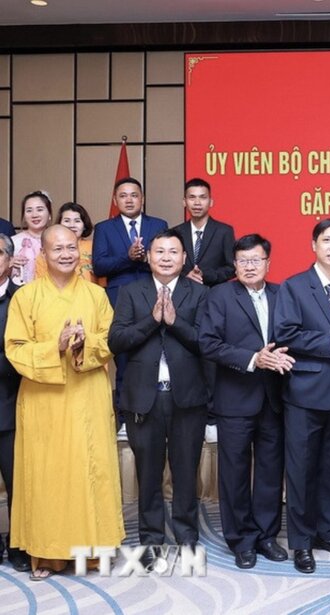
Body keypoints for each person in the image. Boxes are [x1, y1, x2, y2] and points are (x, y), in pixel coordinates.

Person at [6, 225, 124, 579]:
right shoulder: (25, 297)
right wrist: (54, 347)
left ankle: (93, 552)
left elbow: (110, 341)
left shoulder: (96, 295)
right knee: (47, 475)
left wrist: (85, 345)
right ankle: (47, 555)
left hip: (87, 394)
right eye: (57, 249)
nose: (66, 254)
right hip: (44, 399)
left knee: (91, 471)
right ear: (43, 254)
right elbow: (15, 348)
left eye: (71, 247)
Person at [109, 229, 209, 562]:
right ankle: (151, 539)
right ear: (149, 257)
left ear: (184, 258)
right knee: (148, 473)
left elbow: (206, 343)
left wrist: (175, 322)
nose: (166, 257)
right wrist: (152, 322)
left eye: (173, 252)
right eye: (160, 252)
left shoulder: (199, 293)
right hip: (144, 397)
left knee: (185, 471)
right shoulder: (130, 292)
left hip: (187, 397)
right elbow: (116, 341)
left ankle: (186, 535)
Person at [273, 218, 330, 574]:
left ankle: (328, 532)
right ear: (314, 245)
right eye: (327, 240)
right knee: (301, 470)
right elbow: (285, 333)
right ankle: (301, 542)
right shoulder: (294, 286)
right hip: (304, 393)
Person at [198, 234, 292, 570]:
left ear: (268, 262)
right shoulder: (220, 296)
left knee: (270, 471)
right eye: (243, 261)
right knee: (235, 474)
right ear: (234, 265)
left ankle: (266, 536)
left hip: (274, 398)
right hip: (235, 398)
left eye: (256, 260)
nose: (249, 266)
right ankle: (241, 540)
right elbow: (208, 343)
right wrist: (253, 358)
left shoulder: (283, 294)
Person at [93, 177, 168, 432]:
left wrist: (145, 258)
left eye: (134, 195)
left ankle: (157, 414)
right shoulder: (104, 228)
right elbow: (99, 265)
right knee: (124, 358)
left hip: (153, 295)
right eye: (123, 195)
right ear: (115, 200)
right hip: (120, 298)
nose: (129, 200)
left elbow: (167, 259)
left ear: (142, 199)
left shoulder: (158, 225)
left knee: (155, 354)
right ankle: (125, 418)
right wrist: (128, 258)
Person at [174, 178, 236, 444]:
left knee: (211, 361)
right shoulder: (175, 232)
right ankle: (186, 416)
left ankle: (212, 417)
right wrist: (186, 274)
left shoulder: (224, 231)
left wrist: (205, 275)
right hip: (183, 302)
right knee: (184, 358)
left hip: (213, 302)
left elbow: (231, 268)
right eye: (192, 197)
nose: (197, 202)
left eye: (202, 197)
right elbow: (167, 264)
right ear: (184, 201)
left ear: (211, 201)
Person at [0, 233, 29, 572]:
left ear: (10, 260)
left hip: (13, 402)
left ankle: (19, 543)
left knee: (18, 481)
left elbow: (26, 351)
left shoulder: (23, 298)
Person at [34, 202, 96, 284]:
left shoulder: (95, 247)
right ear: (59, 224)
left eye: (77, 221)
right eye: (67, 221)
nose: (72, 225)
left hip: (88, 291)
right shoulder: (48, 250)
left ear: (84, 225)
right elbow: (40, 282)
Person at [11, 191, 52, 285]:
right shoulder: (13, 242)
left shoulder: (58, 241)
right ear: (24, 216)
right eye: (29, 210)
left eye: (40, 210)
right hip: (21, 291)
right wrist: (9, 264)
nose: (34, 215)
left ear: (49, 215)